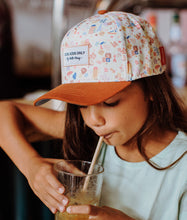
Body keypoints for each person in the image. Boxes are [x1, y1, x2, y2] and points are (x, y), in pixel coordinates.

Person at [0, 10, 187, 220]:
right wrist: (31, 165)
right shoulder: (91, 132)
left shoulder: (182, 165)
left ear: (152, 90)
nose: (92, 120)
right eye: (81, 105)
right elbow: (3, 112)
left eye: (110, 103)